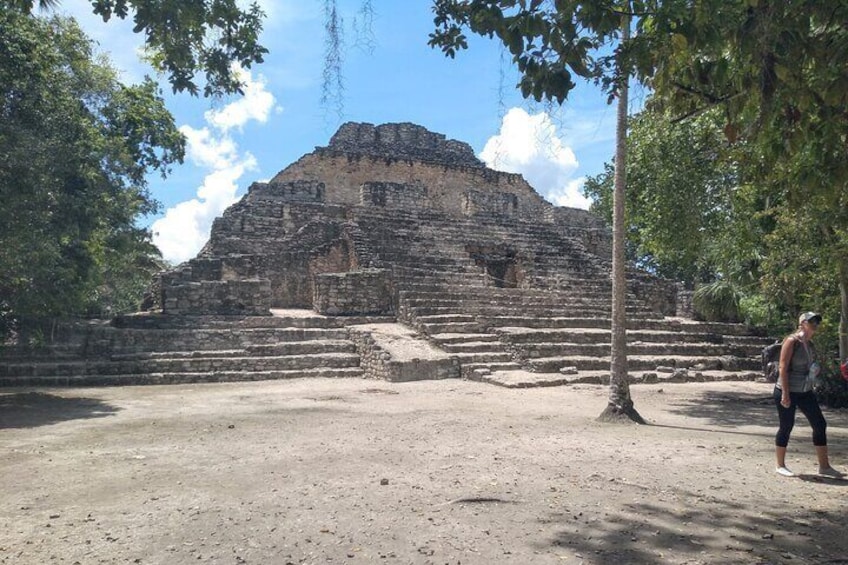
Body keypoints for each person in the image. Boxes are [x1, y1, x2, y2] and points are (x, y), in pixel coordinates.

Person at [774, 311, 843, 478]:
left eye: (817, 321)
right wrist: (785, 393)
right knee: (786, 426)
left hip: (805, 391)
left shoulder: (809, 344)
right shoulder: (792, 341)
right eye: (812, 321)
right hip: (787, 390)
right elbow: (782, 367)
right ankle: (780, 465)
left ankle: (824, 466)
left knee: (820, 424)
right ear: (802, 323)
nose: (815, 324)